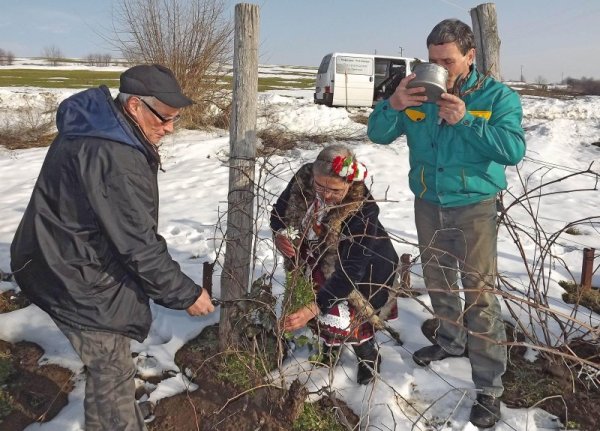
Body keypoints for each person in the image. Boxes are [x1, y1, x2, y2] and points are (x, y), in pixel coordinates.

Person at [10, 64, 215, 431]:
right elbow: (137, 243)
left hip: (60, 254)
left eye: (175, 120)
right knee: (111, 365)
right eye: (165, 119)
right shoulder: (114, 155)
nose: (169, 129)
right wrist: (185, 294)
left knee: (113, 362)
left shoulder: (100, 127)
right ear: (135, 106)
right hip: (71, 272)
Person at [367, 19, 526, 428]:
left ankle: (489, 387)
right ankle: (452, 341)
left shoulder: (497, 97)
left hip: (474, 206)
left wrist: (467, 120)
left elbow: (512, 150)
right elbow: (379, 134)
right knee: (438, 280)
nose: (440, 66)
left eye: (448, 60)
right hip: (428, 202)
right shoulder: (417, 91)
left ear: (470, 57)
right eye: (432, 59)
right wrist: (394, 105)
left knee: (480, 294)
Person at [270, 144, 399, 385]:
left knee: (351, 316)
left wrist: (313, 308)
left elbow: (351, 271)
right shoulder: (304, 178)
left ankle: (367, 354)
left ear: (350, 184)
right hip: (318, 258)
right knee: (321, 310)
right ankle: (330, 347)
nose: (325, 195)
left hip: (360, 270)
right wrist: (280, 233)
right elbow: (278, 212)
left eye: (335, 190)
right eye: (320, 186)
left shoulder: (363, 211)